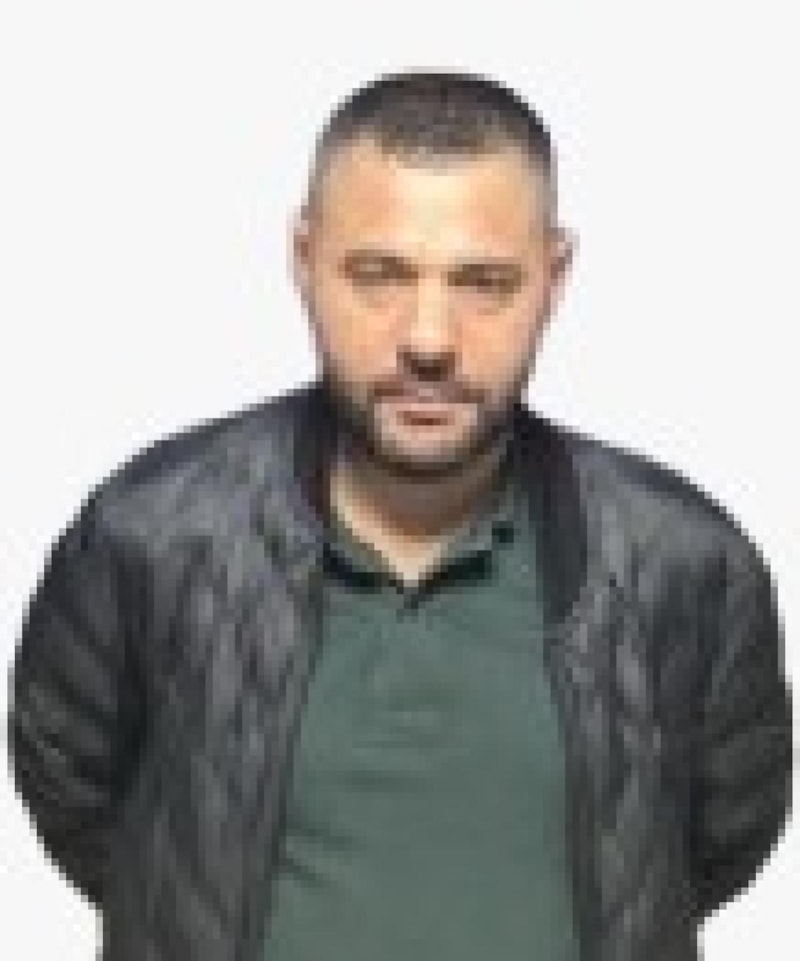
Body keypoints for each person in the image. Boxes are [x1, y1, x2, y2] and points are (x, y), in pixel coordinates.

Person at [7, 69, 793, 961]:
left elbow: (707, 847)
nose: (428, 338)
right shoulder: (148, 535)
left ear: (554, 277)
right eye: (378, 275)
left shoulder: (686, 565)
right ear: (304, 261)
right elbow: (88, 805)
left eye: (484, 282)